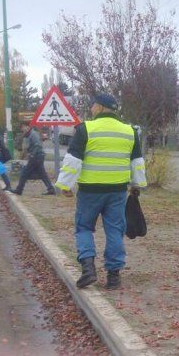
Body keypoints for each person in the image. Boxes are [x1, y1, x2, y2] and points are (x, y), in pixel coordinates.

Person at [54, 94, 147, 290]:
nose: (91, 109)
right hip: (117, 191)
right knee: (114, 230)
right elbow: (137, 162)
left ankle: (88, 269)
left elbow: (73, 160)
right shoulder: (130, 131)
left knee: (84, 228)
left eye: (93, 105)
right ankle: (114, 276)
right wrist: (137, 184)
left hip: (90, 191)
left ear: (99, 107)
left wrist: (65, 185)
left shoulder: (85, 128)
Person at [10, 122, 56, 196]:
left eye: (22, 127)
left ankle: (19, 190)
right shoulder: (29, 135)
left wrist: (32, 154)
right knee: (42, 174)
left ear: (26, 126)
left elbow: (38, 145)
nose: (22, 130)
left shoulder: (33, 134)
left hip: (36, 156)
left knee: (24, 172)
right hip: (38, 156)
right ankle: (51, 189)